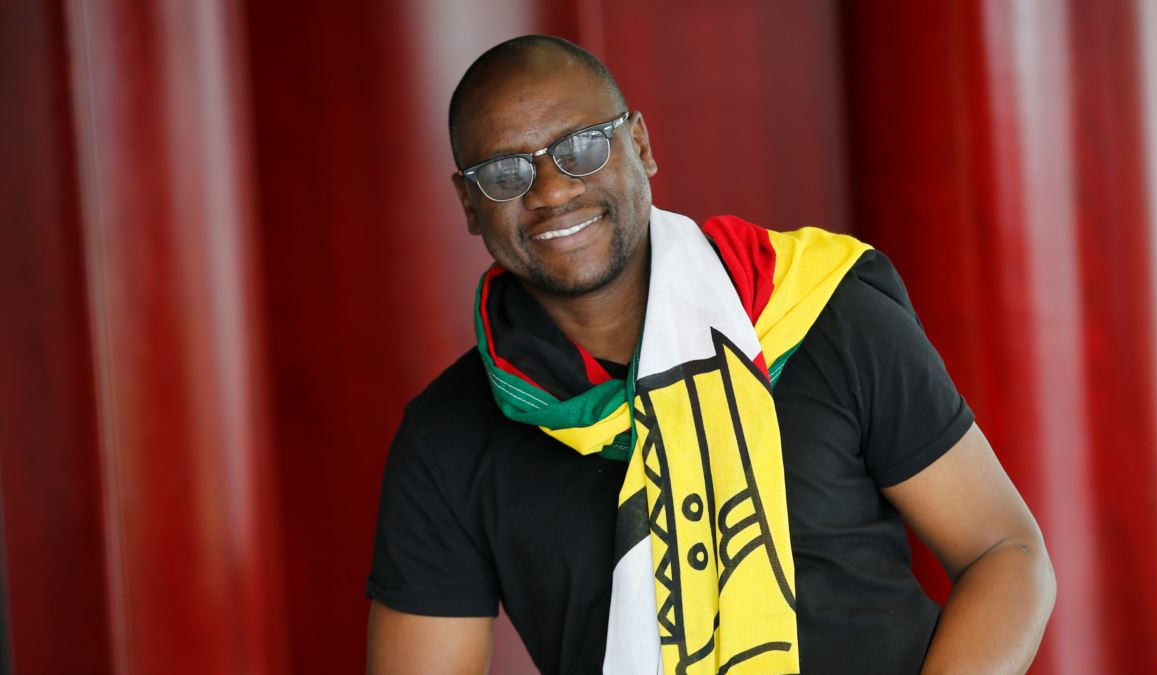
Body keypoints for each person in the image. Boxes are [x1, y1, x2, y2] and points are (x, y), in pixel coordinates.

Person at [366, 34, 1055, 674]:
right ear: (469, 204)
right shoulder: (448, 437)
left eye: (582, 146)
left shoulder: (820, 312)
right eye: (505, 171)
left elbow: (1005, 551)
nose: (551, 190)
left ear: (640, 144)